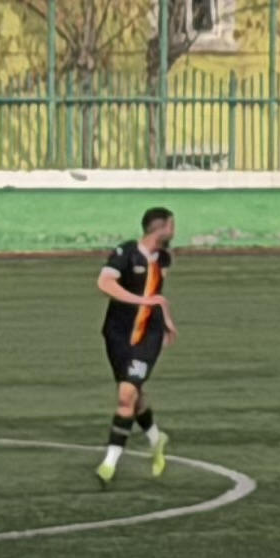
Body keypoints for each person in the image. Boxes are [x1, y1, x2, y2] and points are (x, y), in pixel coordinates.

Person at [94, 208, 179, 485]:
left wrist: (165, 318)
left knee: (126, 395)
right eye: (172, 225)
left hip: (147, 336)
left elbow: (156, 294)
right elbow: (105, 283)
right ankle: (156, 438)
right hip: (118, 333)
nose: (174, 231)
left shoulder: (163, 258)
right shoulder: (126, 252)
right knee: (133, 393)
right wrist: (145, 302)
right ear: (161, 228)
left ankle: (109, 463)